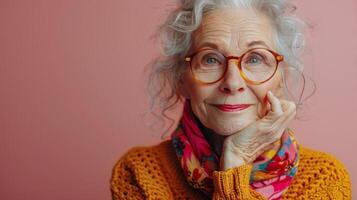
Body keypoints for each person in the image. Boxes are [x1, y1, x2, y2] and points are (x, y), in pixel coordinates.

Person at [110, 0, 351, 199]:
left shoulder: (324, 179)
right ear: (182, 79)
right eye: (211, 59)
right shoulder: (140, 173)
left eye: (255, 58)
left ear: (281, 78)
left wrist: (236, 160)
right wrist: (236, 163)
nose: (233, 82)